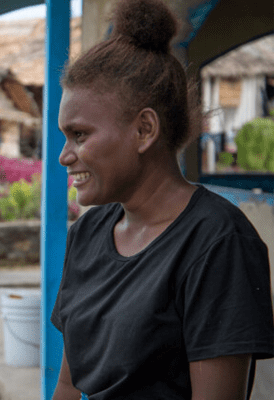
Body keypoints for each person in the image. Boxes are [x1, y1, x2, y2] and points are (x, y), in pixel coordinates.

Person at [50, 1, 274, 399]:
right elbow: (69, 384)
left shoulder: (217, 243)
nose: (65, 155)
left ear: (144, 129)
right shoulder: (87, 234)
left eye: (80, 135)